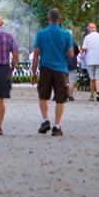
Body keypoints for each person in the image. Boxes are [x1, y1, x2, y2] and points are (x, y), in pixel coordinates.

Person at [30, 7, 74, 136]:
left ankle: (45, 121)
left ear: (48, 19)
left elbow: (36, 54)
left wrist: (33, 73)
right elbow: (71, 54)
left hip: (45, 69)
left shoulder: (41, 34)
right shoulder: (66, 34)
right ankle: (57, 126)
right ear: (59, 20)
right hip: (61, 70)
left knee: (43, 96)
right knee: (60, 99)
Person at [82, 22, 99, 101]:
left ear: (89, 29)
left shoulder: (87, 37)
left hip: (90, 60)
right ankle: (98, 93)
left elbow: (84, 48)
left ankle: (91, 95)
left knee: (92, 78)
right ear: (95, 28)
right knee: (98, 78)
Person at [66, 33, 81, 101]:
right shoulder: (73, 43)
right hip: (72, 64)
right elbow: (78, 52)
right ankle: (70, 95)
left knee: (64, 80)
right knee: (72, 81)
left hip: (63, 64)